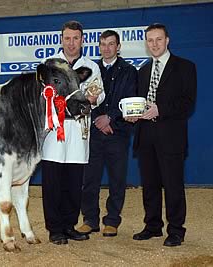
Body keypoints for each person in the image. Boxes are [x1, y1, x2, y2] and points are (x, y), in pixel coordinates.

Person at [127, 23, 197, 247]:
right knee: (149, 185)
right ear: (146, 44)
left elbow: (188, 103)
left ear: (167, 40)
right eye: (150, 40)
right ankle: (153, 226)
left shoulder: (185, 67)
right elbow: (139, 102)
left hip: (171, 137)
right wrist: (133, 115)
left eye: (158, 39)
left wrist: (161, 109)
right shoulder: (143, 71)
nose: (154, 44)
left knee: (173, 185)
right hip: (146, 136)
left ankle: (176, 230)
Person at [41, 20, 105, 245]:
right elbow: (41, 95)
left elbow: (99, 93)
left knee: (74, 181)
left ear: (82, 40)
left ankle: (69, 225)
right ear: (61, 39)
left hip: (79, 129)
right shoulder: (49, 64)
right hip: (54, 130)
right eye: (67, 38)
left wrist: (95, 98)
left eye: (75, 38)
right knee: (52, 182)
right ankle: (54, 229)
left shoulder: (92, 67)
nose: (71, 43)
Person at [79, 30, 137, 237]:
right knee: (90, 179)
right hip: (94, 132)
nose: (106, 48)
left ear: (118, 47)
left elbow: (130, 100)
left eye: (111, 44)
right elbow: (86, 97)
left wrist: (110, 118)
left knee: (117, 179)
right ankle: (90, 220)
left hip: (118, 133)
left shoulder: (129, 71)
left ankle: (112, 221)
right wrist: (98, 119)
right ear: (99, 46)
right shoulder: (91, 69)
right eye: (103, 44)